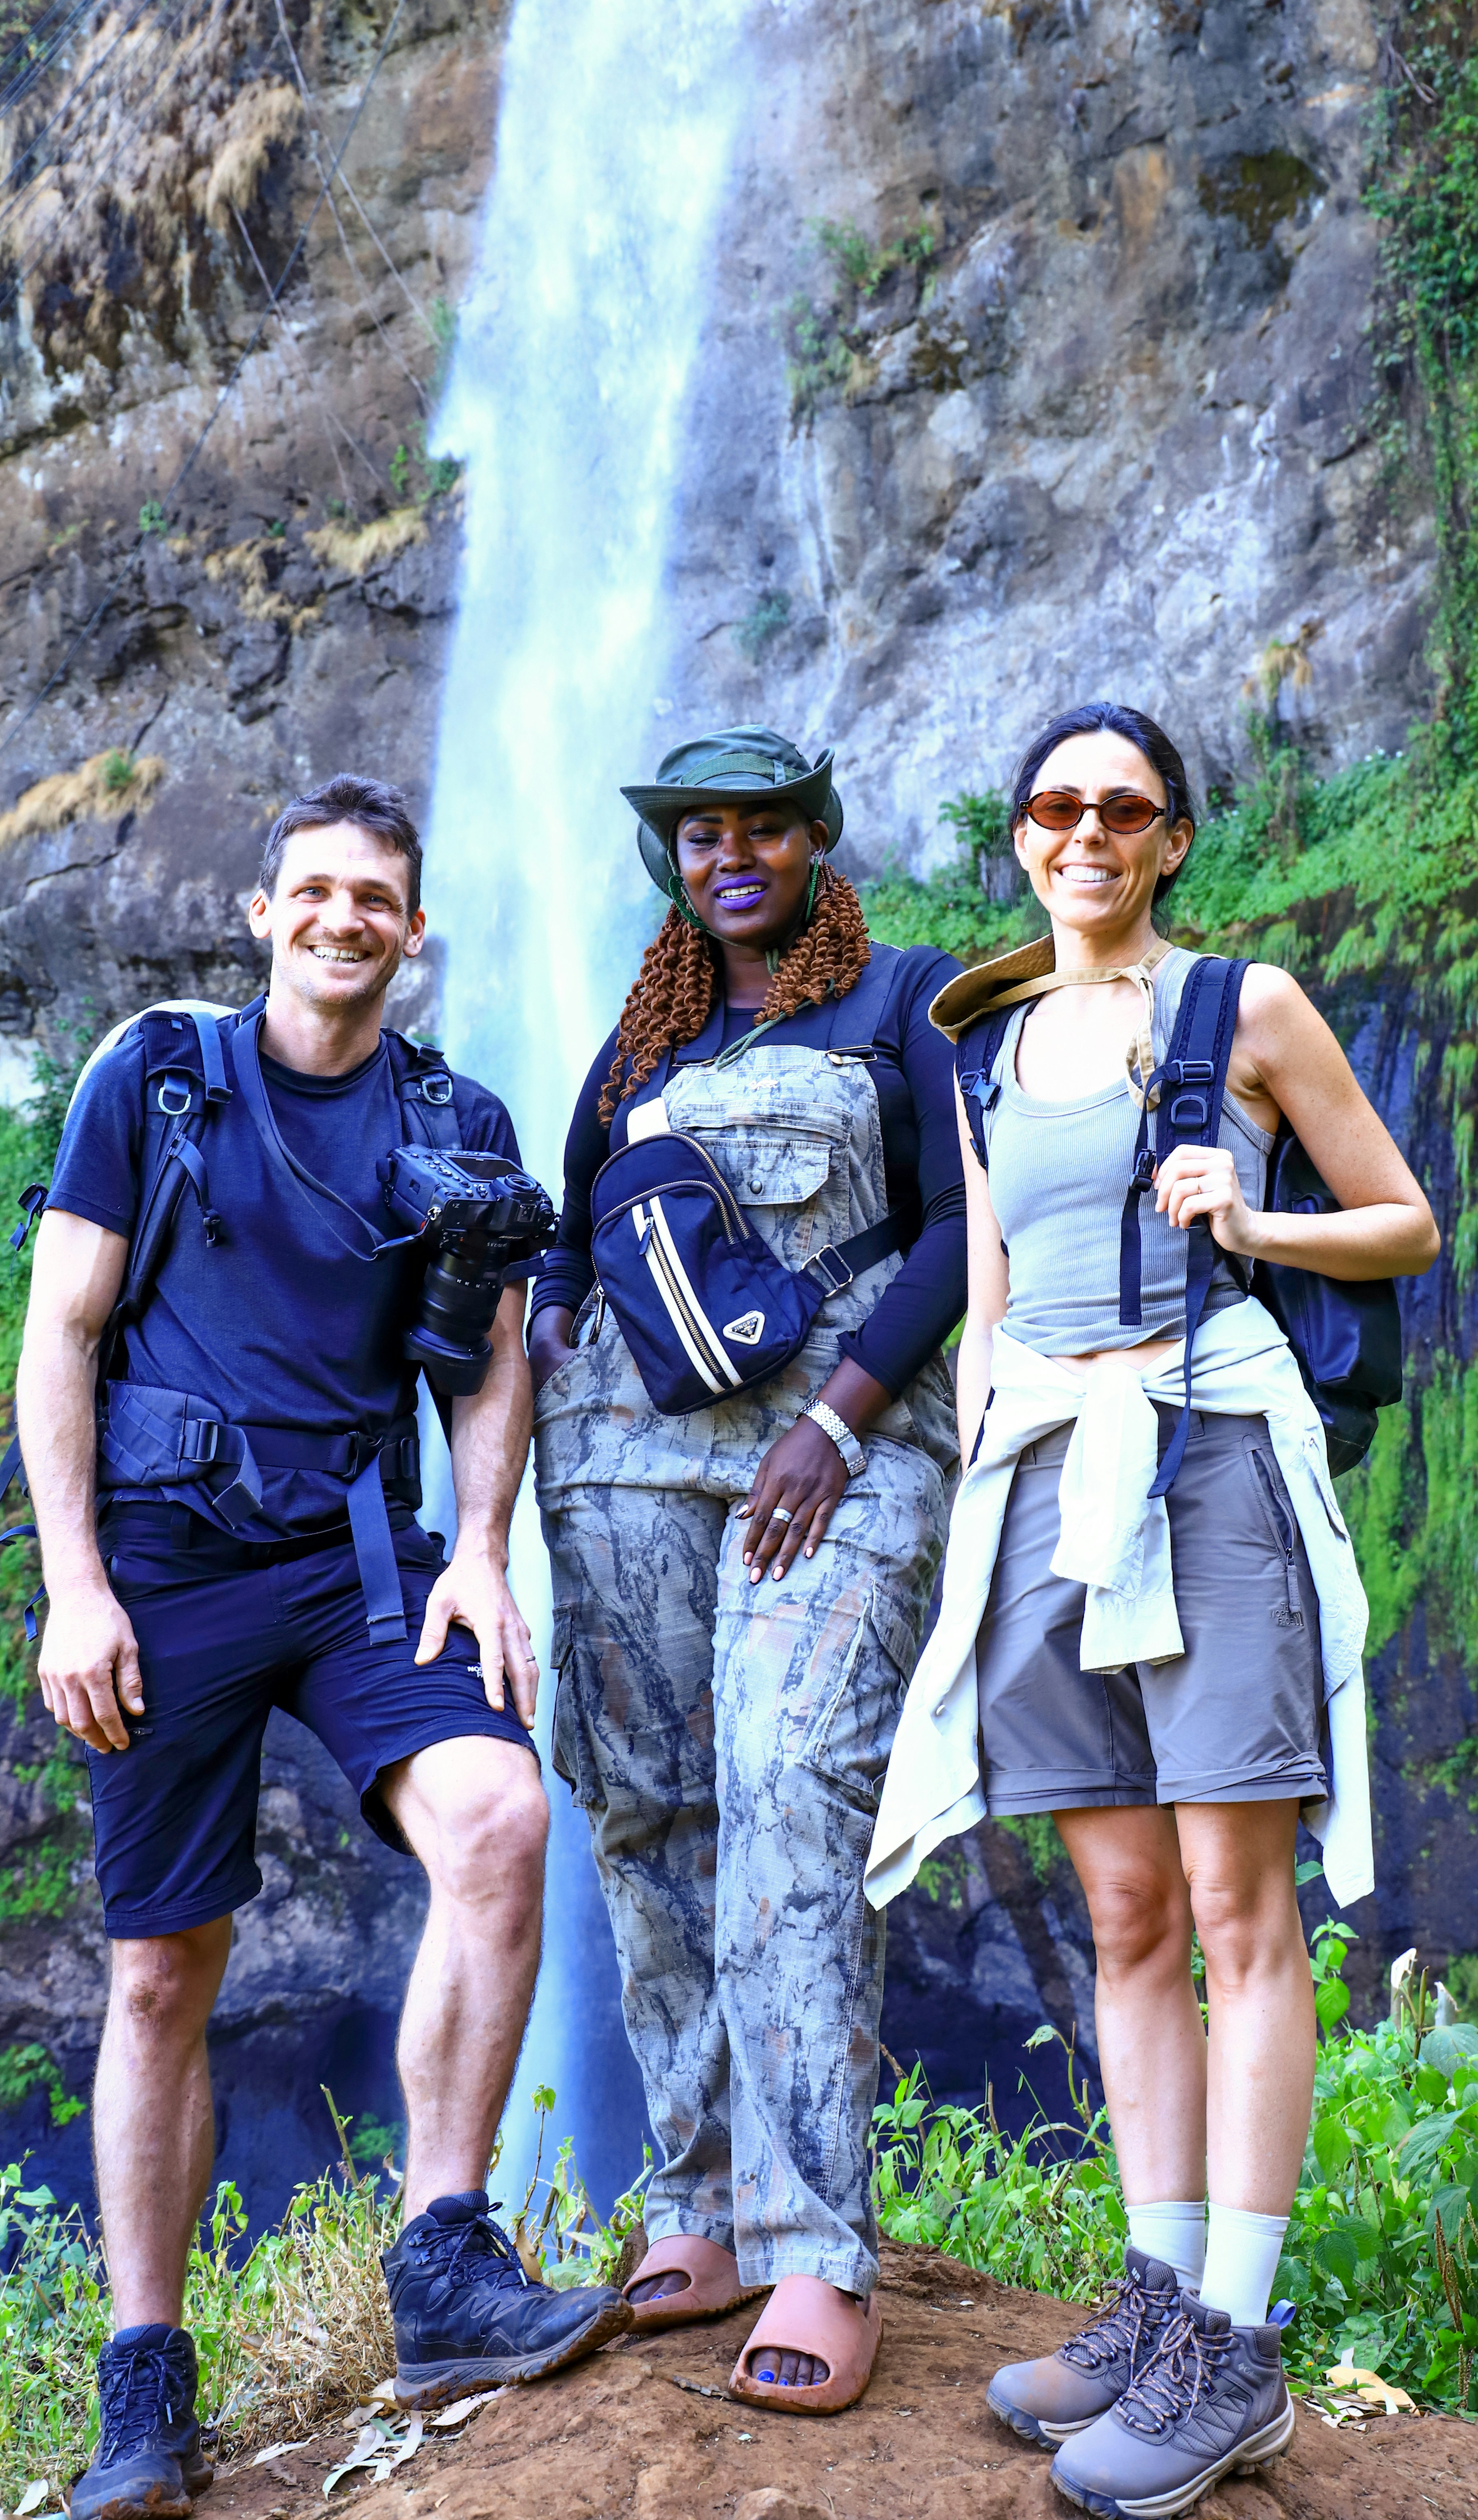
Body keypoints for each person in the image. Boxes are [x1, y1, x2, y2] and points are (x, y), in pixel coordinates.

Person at [20, 776, 628, 2520]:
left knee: (502, 1818)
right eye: (316, 890)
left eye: (378, 897)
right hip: (166, 1566)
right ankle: (147, 2384)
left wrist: (485, 1553)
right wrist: (76, 1584)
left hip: (366, 1559)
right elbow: (62, 1335)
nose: (344, 917)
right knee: (161, 1970)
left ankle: (443, 2267)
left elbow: (487, 1362)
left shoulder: (458, 1115)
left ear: (413, 931)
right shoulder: (154, 1078)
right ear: (264, 910)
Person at [864, 702, 1439, 2513]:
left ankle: (1238, 2352)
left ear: (1171, 836)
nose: (1085, 832)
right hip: (1042, 1472)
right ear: (1020, 838)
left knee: (1230, 1905)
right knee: (1121, 1909)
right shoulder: (985, 1040)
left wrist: (1252, 1223)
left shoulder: (1238, 1011)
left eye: (1122, 806)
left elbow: (1404, 1221)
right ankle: (1158, 2292)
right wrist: (977, 1501)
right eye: (1054, 806)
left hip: (1205, 1459)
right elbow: (992, 1286)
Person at [530, 726, 965, 2415]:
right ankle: (695, 2208)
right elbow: (577, 1229)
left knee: (786, 1782)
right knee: (646, 1809)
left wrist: (846, 1418)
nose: (730, 854)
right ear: (674, 862)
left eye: (762, 828)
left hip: (829, 1457)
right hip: (623, 1467)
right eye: (700, 832)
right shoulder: (636, 1046)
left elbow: (954, 1228)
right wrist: (557, 1317)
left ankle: (811, 2252)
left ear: (811, 841)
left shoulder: (902, 1004)